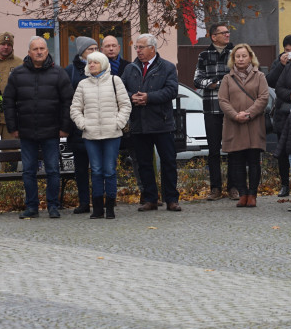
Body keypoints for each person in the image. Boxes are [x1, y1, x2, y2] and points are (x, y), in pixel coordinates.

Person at [3, 36, 74, 220]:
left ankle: (53, 206)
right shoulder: (17, 74)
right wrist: (12, 127)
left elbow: (68, 102)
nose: (39, 51)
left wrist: (65, 127)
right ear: (29, 52)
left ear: (47, 51)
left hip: (51, 131)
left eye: (42, 48)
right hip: (26, 132)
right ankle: (31, 207)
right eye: (35, 49)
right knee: (28, 171)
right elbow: (8, 102)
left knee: (52, 170)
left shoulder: (58, 73)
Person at [121, 33, 182, 212]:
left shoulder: (167, 67)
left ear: (152, 48)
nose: (138, 51)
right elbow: (121, 89)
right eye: (136, 48)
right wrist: (132, 97)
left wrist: (149, 97)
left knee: (168, 161)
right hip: (139, 122)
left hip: (162, 122)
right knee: (143, 162)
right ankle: (150, 198)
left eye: (141, 47)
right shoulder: (130, 69)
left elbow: (171, 90)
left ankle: (171, 199)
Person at [69, 51, 131, 219]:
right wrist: (83, 125)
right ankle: (97, 209)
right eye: (90, 63)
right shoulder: (83, 84)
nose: (92, 65)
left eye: (95, 62)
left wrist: (118, 123)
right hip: (91, 135)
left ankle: (110, 207)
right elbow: (75, 108)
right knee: (96, 170)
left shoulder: (114, 80)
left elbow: (125, 105)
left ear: (103, 64)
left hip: (112, 134)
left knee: (109, 170)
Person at [218, 44, 270, 207]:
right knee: (236, 162)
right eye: (237, 56)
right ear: (233, 59)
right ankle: (242, 193)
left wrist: (248, 113)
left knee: (254, 161)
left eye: (244, 56)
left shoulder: (259, 75)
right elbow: (223, 100)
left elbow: (263, 97)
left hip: (254, 123)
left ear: (250, 57)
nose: (240, 59)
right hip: (234, 125)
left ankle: (253, 194)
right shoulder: (227, 78)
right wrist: (235, 115)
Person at [194, 23, 235, 201]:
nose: (227, 35)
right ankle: (215, 188)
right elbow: (197, 79)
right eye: (223, 33)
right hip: (211, 108)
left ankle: (234, 187)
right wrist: (219, 84)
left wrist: (214, 84)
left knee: (234, 149)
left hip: (233, 109)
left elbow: (241, 78)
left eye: (228, 32)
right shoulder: (204, 55)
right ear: (213, 36)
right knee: (213, 150)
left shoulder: (237, 53)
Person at [64, 36, 100, 214]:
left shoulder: (103, 69)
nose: (94, 52)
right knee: (81, 169)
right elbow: (66, 100)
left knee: (98, 167)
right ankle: (84, 202)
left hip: (98, 126)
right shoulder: (70, 71)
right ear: (81, 53)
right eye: (90, 49)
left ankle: (100, 202)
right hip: (78, 127)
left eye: (96, 48)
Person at [266, 34, 291, 197]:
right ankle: (284, 184)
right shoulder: (279, 61)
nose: (290, 53)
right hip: (282, 112)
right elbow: (271, 82)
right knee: (283, 151)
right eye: (287, 50)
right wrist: (281, 65)